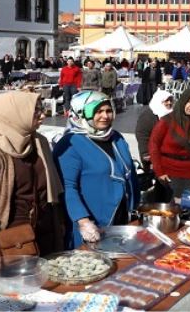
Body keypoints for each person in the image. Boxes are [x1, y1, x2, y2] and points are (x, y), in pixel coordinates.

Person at [0, 92, 65, 283]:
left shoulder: (37, 141)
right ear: (13, 114)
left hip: (42, 232)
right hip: (7, 241)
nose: (43, 115)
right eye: (35, 111)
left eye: (41, 110)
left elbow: (51, 188)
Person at [53, 91, 139, 248]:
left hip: (122, 216)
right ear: (81, 113)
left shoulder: (116, 137)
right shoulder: (70, 143)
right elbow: (67, 188)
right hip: (91, 223)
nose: (105, 116)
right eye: (98, 112)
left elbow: (129, 171)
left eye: (108, 110)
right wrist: (83, 221)